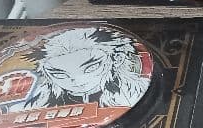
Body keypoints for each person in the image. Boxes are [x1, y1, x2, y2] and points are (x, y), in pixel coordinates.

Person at [22, 25, 151, 110]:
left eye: (91, 67)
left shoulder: (136, 90)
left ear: (117, 59)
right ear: (46, 73)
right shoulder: (37, 104)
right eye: (60, 74)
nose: (77, 81)